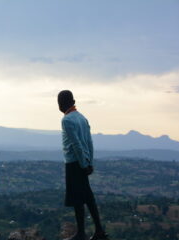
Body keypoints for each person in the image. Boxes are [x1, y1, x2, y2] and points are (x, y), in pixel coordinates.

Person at [58, 90, 109, 240]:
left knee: (77, 200)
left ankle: (81, 234)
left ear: (62, 104)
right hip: (84, 162)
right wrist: (89, 162)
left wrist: (82, 164)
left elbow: (76, 144)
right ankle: (99, 230)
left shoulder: (67, 120)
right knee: (87, 197)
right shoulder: (82, 118)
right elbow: (89, 143)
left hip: (74, 163)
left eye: (59, 103)